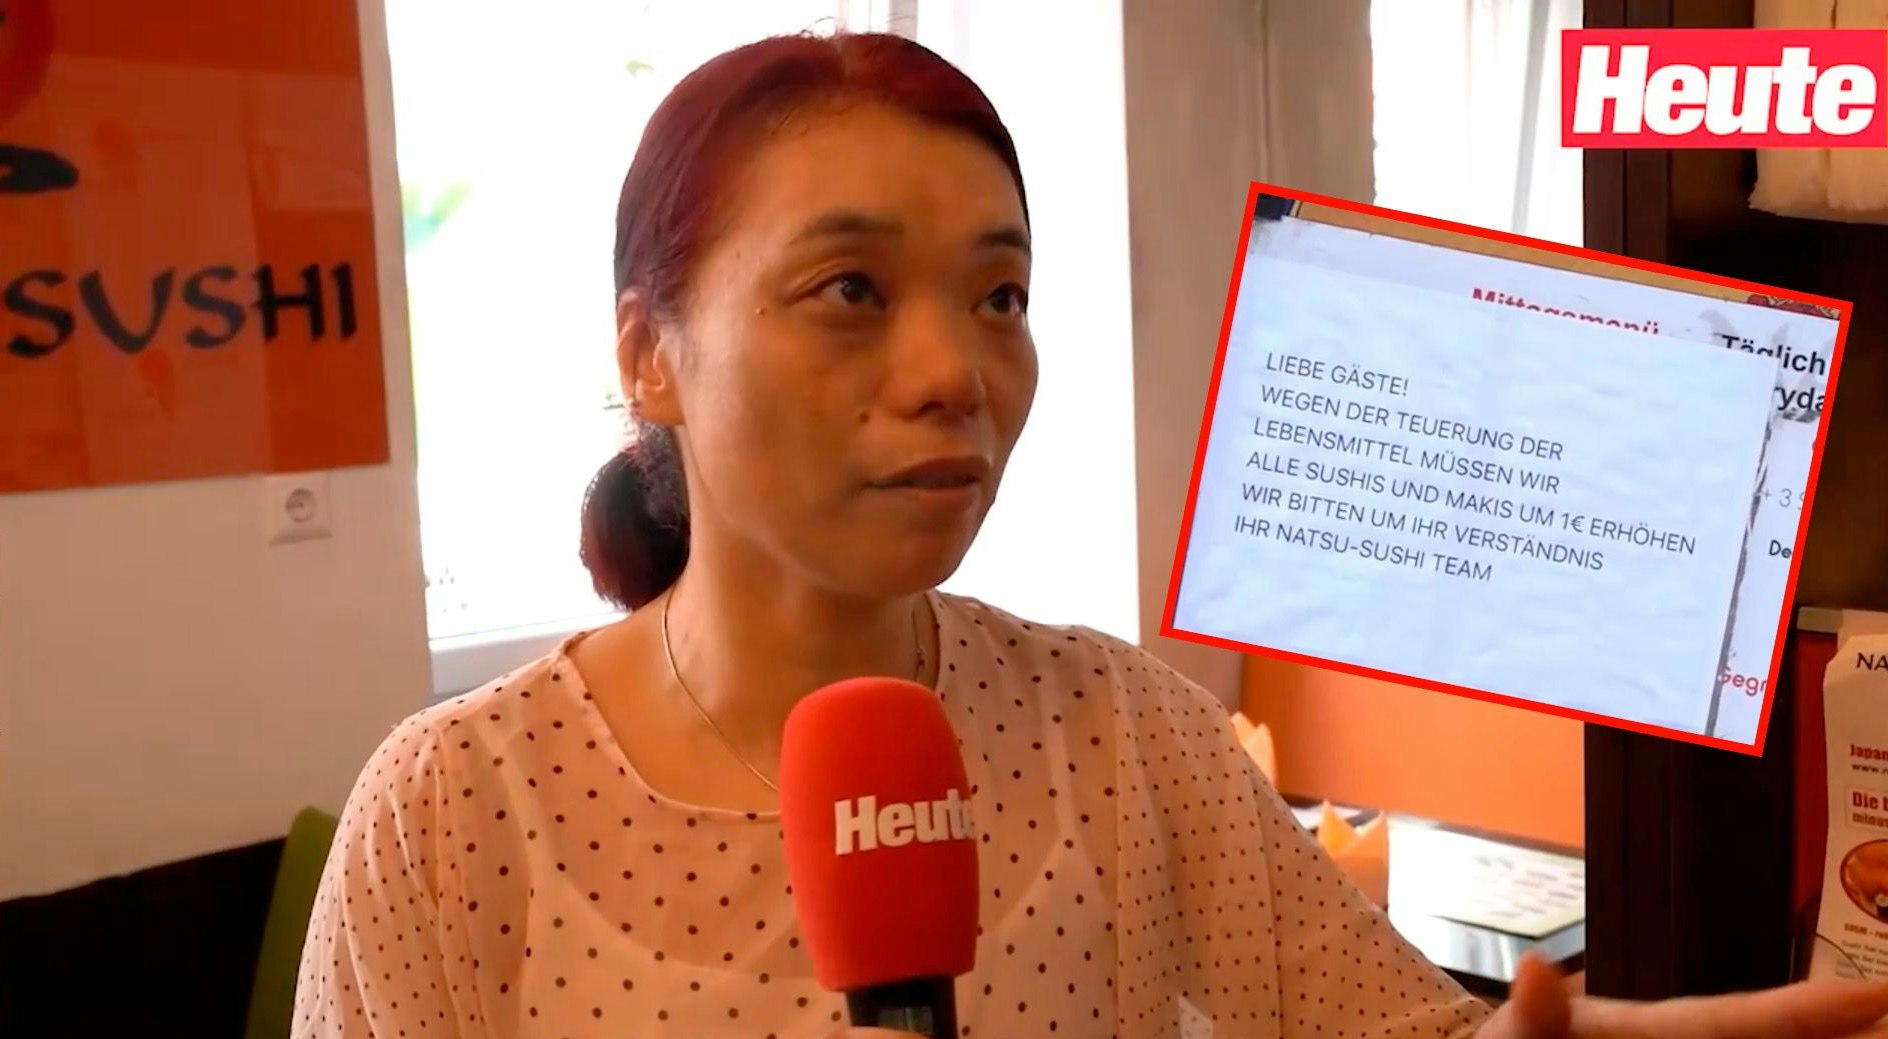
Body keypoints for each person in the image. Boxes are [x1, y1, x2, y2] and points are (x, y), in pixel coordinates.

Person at [292, 29, 1888, 1039]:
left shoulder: (1116, 732)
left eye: (1000, 295)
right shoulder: (454, 813)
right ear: (650, 353)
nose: (954, 373)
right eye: (850, 289)